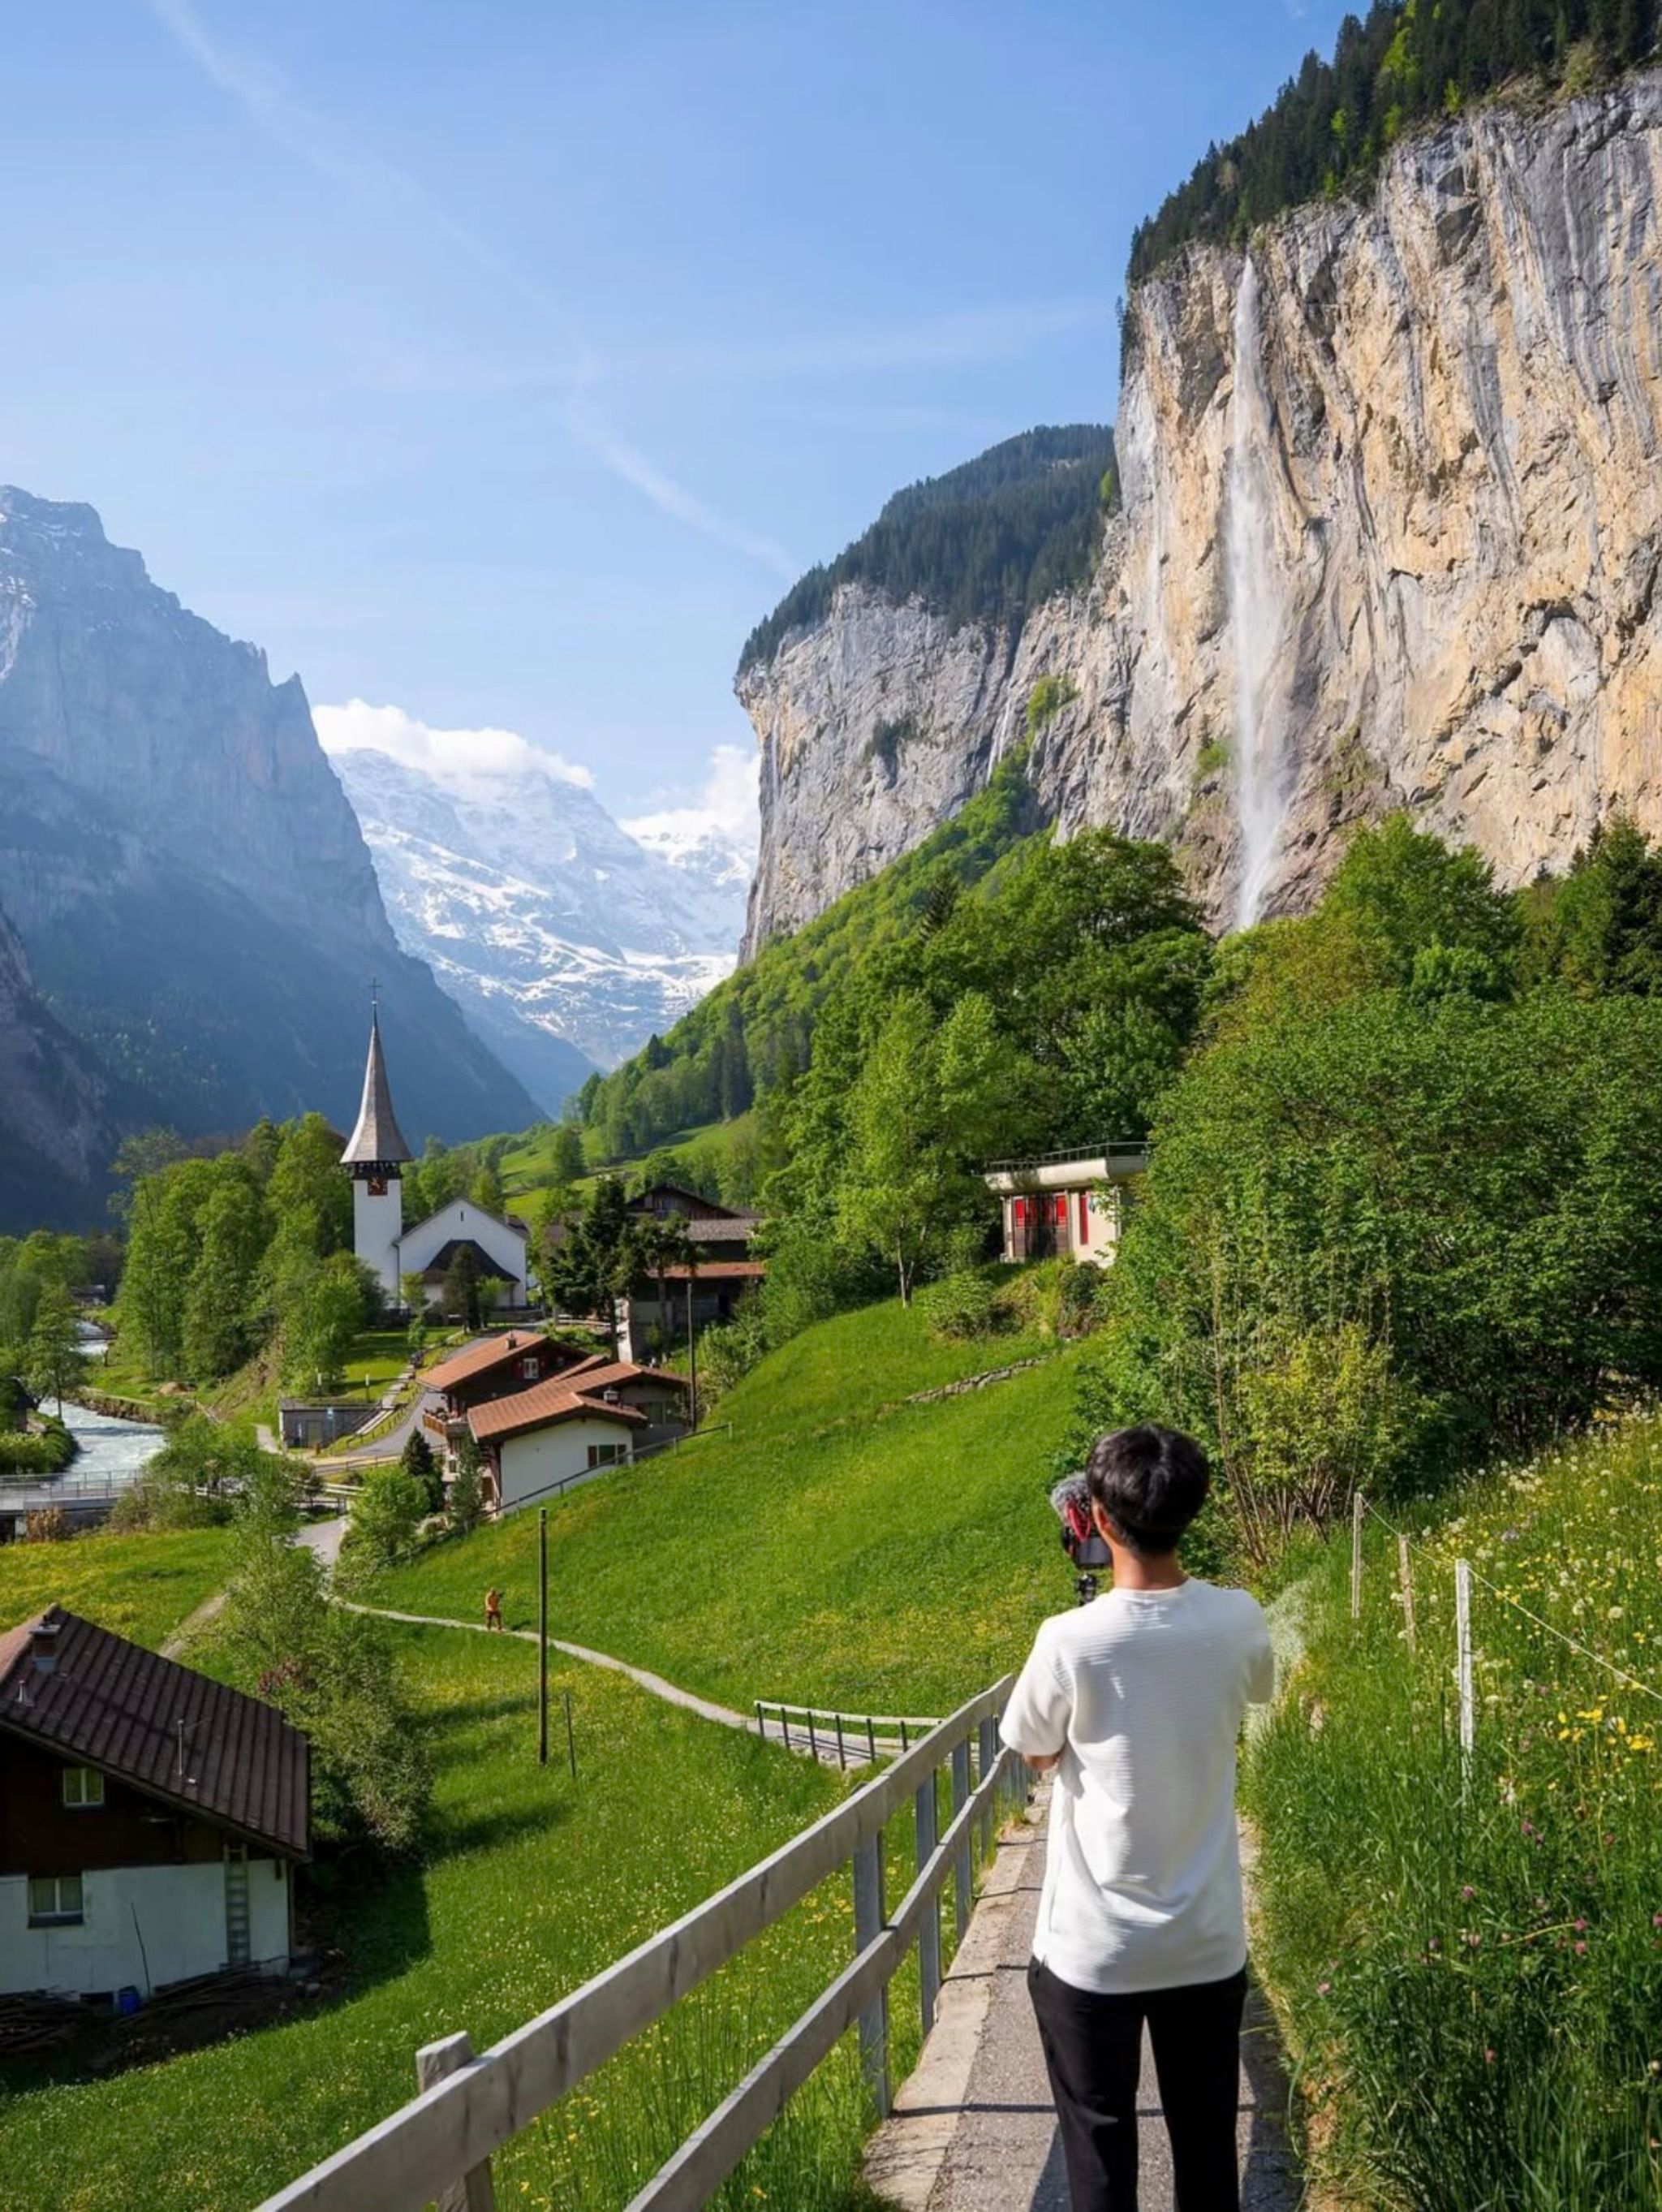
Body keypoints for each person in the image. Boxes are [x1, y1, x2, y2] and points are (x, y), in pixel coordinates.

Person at [1000, 1425, 1276, 2212]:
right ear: (1190, 1509)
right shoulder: (1237, 1619)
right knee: (1205, 2150)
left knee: (1100, 2160)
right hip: (1204, 1941)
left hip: (1092, 1951)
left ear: (1095, 1519)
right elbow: (1252, 1689)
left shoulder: (1069, 1641)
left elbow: (1031, 1748)